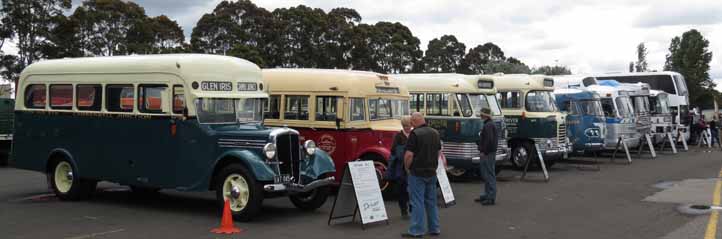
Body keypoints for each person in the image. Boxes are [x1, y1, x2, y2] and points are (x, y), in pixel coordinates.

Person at [402, 112, 441, 238]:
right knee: (431, 201)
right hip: (432, 171)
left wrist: (407, 168)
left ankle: (417, 230)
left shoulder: (414, 134)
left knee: (417, 202)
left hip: (417, 173)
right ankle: (434, 228)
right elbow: (439, 151)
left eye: (411, 123)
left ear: (413, 122)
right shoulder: (435, 132)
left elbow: (409, 155)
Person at [386, 116, 413, 219]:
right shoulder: (398, 136)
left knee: (411, 189)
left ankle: (411, 208)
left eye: (409, 125)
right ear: (402, 126)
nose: (407, 127)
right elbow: (394, 151)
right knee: (402, 190)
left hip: (411, 167)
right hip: (401, 168)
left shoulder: (413, 135)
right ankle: (404, 211)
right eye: (405, 126)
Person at [475, 108, 498, 206]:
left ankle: (490, 196)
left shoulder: (488, 125)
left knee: (488, 174)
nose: (480, 116)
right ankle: (487, 194)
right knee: (488, 173)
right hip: (490, 152)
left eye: (481, 114)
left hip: (487, 153)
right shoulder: (490, 124)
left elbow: (488, 140)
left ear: (484, 115)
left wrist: (483, 151)